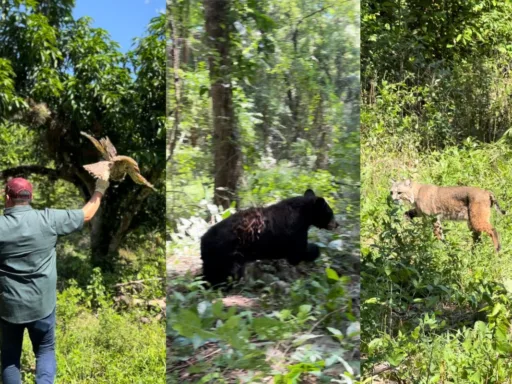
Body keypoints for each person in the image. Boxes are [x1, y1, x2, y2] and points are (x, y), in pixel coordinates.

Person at [0, 177, 109, 384]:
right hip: (42, 305)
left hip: (10, 308)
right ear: (30, 197)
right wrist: (100, 188)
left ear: (7, 198)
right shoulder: (48, 219)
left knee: (10, 359)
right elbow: (87, 214)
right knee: (45, 351)